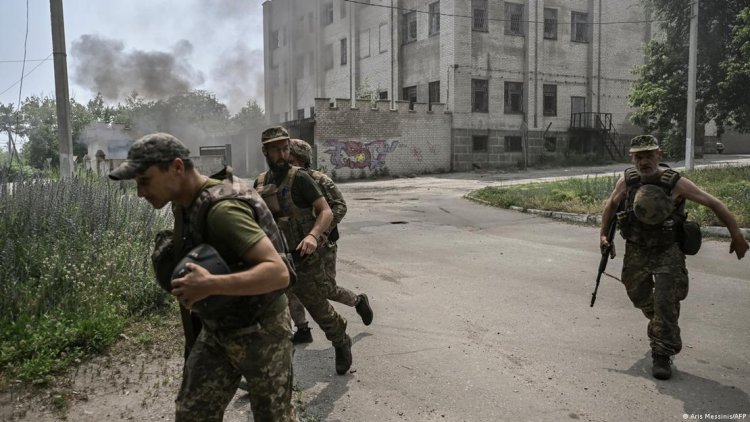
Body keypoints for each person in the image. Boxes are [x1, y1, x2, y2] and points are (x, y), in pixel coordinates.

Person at [109, 133, 297, 421]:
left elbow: (278, 272)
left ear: (176, 168)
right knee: (192, 414)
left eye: (144, 181)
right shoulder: (184, 203)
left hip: (262, 332)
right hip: (218, 330)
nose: (140, 193)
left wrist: (211, 284)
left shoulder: (223, 210)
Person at [600, 134, 748, 380]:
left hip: (667, 250)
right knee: (636, 293)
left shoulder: (675, 183)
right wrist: (603, 235)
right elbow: (611, 206)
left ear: (659, 154)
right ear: (632, 158)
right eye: (639, 156)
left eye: (649, 155)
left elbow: (713, 203)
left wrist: (736, 234)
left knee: (665, 299)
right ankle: (661, 323)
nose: (644, 161)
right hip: (637, 249)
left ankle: (662, 352)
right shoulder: (626, 181)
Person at [254, 126, 353, 375]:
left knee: (321, 310)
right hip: (275, 262)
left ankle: (341, 340)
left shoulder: (300, 178)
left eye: (285, 148)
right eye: (276, 149)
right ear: (265, 151)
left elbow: (327, 210)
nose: (282, 153)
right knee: (269, 320)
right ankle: (264, 375)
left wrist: (312, 235)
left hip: (304, 259)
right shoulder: (259, 182)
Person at [286, 138, 373, 344]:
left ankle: (358, 301)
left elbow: (339, 206)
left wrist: (320, 234)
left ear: (300, 158)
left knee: (326, 289)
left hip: (323, 245)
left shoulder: (319, 179)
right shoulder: (282, 182)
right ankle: (302, 328)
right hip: (295, 246)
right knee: (292, 287)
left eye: (289, 157)